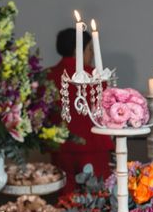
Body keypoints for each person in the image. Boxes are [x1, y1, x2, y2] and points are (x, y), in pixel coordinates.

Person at [47, 28, 113, 193]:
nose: (91, 55)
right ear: (78, 50)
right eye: (90, 49)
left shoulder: (48, 76)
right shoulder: (95, 77)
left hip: (60, 149)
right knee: (96, 202)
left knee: (65, 202)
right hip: (92, 147)